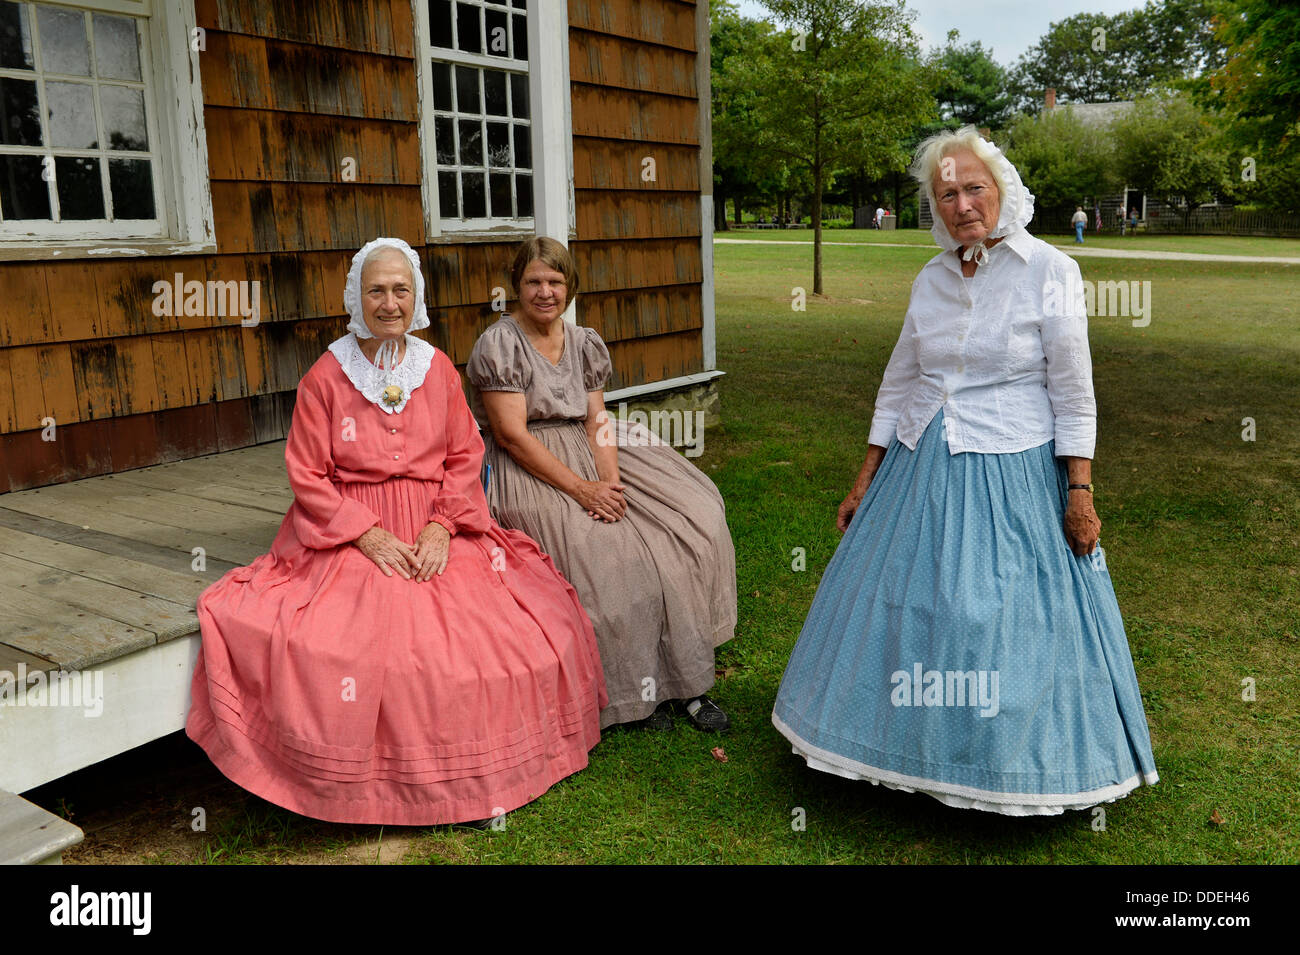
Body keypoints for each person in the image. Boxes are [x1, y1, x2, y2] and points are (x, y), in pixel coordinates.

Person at [771, 127, 1158, 815]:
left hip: (1011, 466)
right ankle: (902, 753)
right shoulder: (931, 277)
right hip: (918, 465)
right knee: (908, 609)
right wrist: (865, 477)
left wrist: (1080, 490)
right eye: (946, 193)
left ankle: (1000, 764)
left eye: (973, 187)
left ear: (1002, 189)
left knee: (988, 615)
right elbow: (899, 381)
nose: (962, 204)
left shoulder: (1050, 271)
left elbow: (1073, 391)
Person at [186, 237, 607, 826]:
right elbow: (307, 473)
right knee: (366, 646)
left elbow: (465, 454)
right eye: (377, 290)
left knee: (506, 636)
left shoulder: (434, 369)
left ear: (418, 298)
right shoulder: (327, 376)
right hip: (352, 528)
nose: (390, 303)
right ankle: (371, 786)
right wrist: (365, 534)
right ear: (357, 298)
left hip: (437, 519)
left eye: (401, 290)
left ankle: (482, 775)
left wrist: (441, 525)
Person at [467, 237, 737, 732]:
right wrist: (582, 489)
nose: (545, 291)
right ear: (515, 286)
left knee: (690, 519)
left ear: (570, 287)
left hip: (593, 449)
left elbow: (597, 417)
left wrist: (609, 479)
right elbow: (511, 435)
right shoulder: (500, 344)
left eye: (555, 281)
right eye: (533, 281)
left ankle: (687, 681)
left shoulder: (584, 341)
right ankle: (637, 693)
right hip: (533, 462)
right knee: (610, 557)